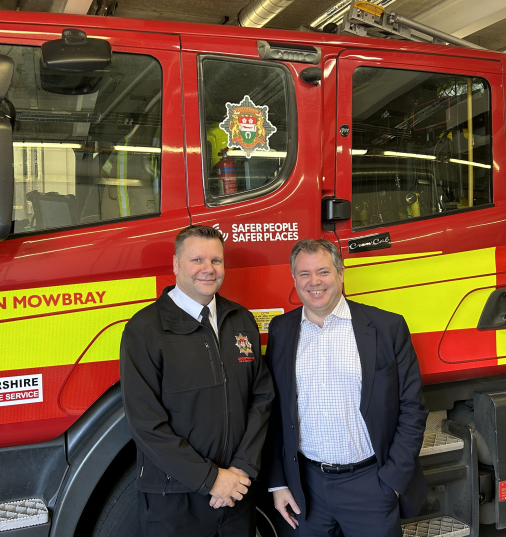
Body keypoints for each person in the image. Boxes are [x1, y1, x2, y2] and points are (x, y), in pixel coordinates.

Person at [265, 238, 428, 537]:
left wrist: (392, 482)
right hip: (306, 486)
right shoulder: (281, 330)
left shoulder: (386, 327)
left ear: (341, 274)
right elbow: (273, 412)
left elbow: (412, 409)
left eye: (323, 272)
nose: (314, 282)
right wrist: (278, 482)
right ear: (294, 279)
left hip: (371, 484)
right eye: (304, 274)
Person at [120, 225, 275, 537]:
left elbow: (261, 398)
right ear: (176, 264)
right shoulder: (145, 330)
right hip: (175, 500)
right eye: (197, 260)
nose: (208, 270)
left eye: (216, 261)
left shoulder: (240, 319)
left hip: (236, 492)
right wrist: (210, 479)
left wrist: (242, 469)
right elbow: (145, 423)